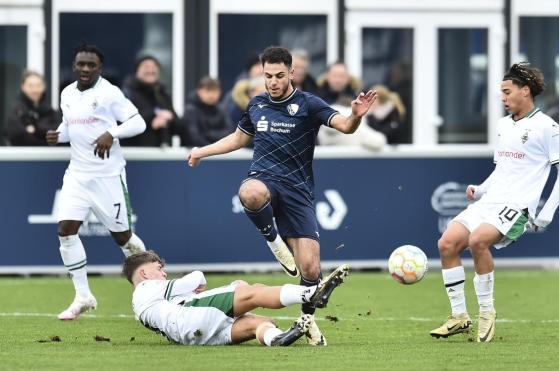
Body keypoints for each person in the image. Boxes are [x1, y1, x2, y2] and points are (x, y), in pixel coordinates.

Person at [187, 46, 377, 346]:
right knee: (249, 191)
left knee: (311, 269)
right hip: (264, 179)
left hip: (298, 191)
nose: (273, 82)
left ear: (291, 73)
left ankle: (307, 321)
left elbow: (344, 126)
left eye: (278, 76)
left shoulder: (309, 104)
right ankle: (273, 240)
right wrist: (202, 151)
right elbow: (238, 138)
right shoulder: (257, 104)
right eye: (267, 76)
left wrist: (355, 116)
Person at [431, 62, 559, 343]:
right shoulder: (503, 125)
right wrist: (481, 189)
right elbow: (503, 168)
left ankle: (487, 313)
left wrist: (547, 213)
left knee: (478, 241)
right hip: (492, 200)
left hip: (518, 204)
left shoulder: (548, 127)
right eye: (501, 92)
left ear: (526, 91)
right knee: (447, 243)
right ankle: (459, 316)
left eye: (507, 92)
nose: (503, 98)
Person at [45, 43, 148, 320]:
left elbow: (139, 123)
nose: (86, 69)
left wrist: (111, 133)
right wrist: (58, 134)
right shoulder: (66, 93)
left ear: (99, 68)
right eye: (81, 64)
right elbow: (72, 127)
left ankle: (155, 284)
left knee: (123, 239)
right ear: (74, 66)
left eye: (91, 65)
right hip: (77, 175)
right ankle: (83, 295)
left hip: (107, 177)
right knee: (66, 230)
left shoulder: (110, 93)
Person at [123, 250, 350, 346]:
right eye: (158, 268)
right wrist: (199, 279)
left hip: (191, 337)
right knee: (252, 291)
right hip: (189, 318)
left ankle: (277, 340)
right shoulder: (147, 288)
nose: (163, 273)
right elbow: (195, 278)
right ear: (144, 273)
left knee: (259, 324)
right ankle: (311, 293)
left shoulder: (143, 304)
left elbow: (182, 298)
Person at [121, 55, 187, 147]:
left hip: (163, 153)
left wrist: (168, 119)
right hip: (134, 153)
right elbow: (124, 124)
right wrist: (155, 114)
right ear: (137, 70)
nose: (150, 70)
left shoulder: (163, 94)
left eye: (154, 67)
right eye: (146, 67)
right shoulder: (127, 93)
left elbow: (180, 127)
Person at [5, 70, 61, 146]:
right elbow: (15, 135)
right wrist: (44, 137)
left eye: (38, 85)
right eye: (30, 86)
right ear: (23, 87)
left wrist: (35, 129)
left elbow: (59, 132)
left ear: (44, 86)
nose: (35, 90)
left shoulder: (49, 110)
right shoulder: (17, 110)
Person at [183, 76, 233, 146]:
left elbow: (230, 133)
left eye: (215, 91)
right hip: (195, 153)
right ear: (199, 91)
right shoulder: (191, 111)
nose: (211, 95)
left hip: (219, 152)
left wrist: (209, 134)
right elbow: (194, 137)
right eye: (208, 90)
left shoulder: (221, 110)